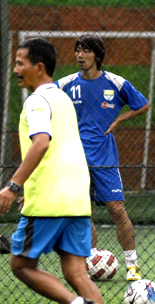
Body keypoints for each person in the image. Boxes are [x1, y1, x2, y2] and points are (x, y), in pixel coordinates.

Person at [0, 38, 120, 304]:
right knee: (76, 272)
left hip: (51, 199)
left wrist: (13, 186)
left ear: (39, 67)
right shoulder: (63, 99)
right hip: (77, 197)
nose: (16, 69)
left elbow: (41, 144)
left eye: (21, 63)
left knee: (21, 265)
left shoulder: (37, 101)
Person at [56, 35, 150, 281]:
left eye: (85, 51)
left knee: (117, 209)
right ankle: (91, 259)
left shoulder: (115, 82)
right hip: (75, 160)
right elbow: (44, 100)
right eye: (77, 50)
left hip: (105, 158)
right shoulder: (66, 84)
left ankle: (132, 265)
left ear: (96, 55)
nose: (79, 55)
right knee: (83, 212)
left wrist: (119, 119)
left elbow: (143, 105)